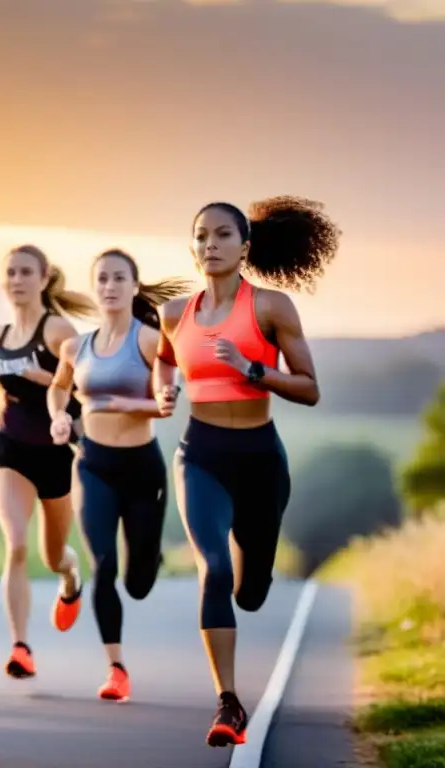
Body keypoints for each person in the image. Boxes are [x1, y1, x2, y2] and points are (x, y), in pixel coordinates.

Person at [152, 196, 340, 747]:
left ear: (245, 246)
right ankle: (228, 703)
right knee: (212, 569)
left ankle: (253, 576)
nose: (210, 245)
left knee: (250, 589)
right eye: (201, 236)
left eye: (222, 236)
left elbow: (310, 388)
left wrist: (253, 369)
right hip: (200, 453)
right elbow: (165, 357)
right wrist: (163, 389)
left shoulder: (270, 308)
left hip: (260, 459)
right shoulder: (173, 313)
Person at [46, 249, 192, 701]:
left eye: (118, 279)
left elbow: (166, 404)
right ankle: (116, 669)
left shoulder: (150, 341)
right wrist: (59, 417)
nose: (109, 286)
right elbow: (58, 387)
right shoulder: (76, 347)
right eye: (102, 279)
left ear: (134, 286)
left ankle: (150, 560)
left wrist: (130, 404)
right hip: (93, 467)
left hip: (142, 469)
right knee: (104, 565)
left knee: (139, 582)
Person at [0, 245, 95, 679]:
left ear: (44, 278)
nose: (17, 280)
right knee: (17, 544)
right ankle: (20, 647)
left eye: (26, 272)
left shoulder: (57, 329)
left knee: (51, 556)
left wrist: (46, 380)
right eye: (10, 272)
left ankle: (70, 577)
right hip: (11, 451)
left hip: (55, 454)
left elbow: (83, 386)